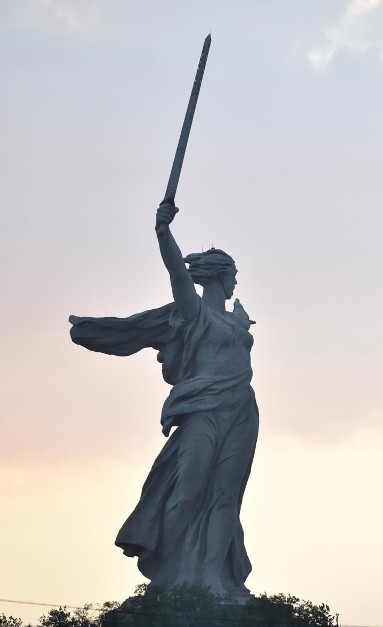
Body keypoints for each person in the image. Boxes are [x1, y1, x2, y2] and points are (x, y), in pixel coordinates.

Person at [69, 203, 258, 598]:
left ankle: (211, 578)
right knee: (186, 490)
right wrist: (163, 232)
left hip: (241, 410)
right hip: (203, 412)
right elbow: (176, 273)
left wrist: (242, 328)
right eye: (234, 275)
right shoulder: (194, 314)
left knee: (226, 496)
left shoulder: (235, 321)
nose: (237, 282)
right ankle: (169, 577)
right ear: (220, 276)